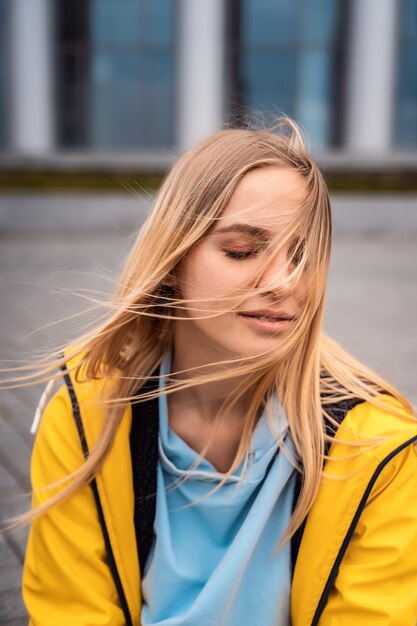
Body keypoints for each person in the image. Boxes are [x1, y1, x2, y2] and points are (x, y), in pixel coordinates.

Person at [20, 120, 417, 625]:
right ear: (171, 259)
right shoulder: (85, 420)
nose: (284, 283)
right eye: (242, 250)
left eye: (303, 256)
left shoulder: (381, 450)